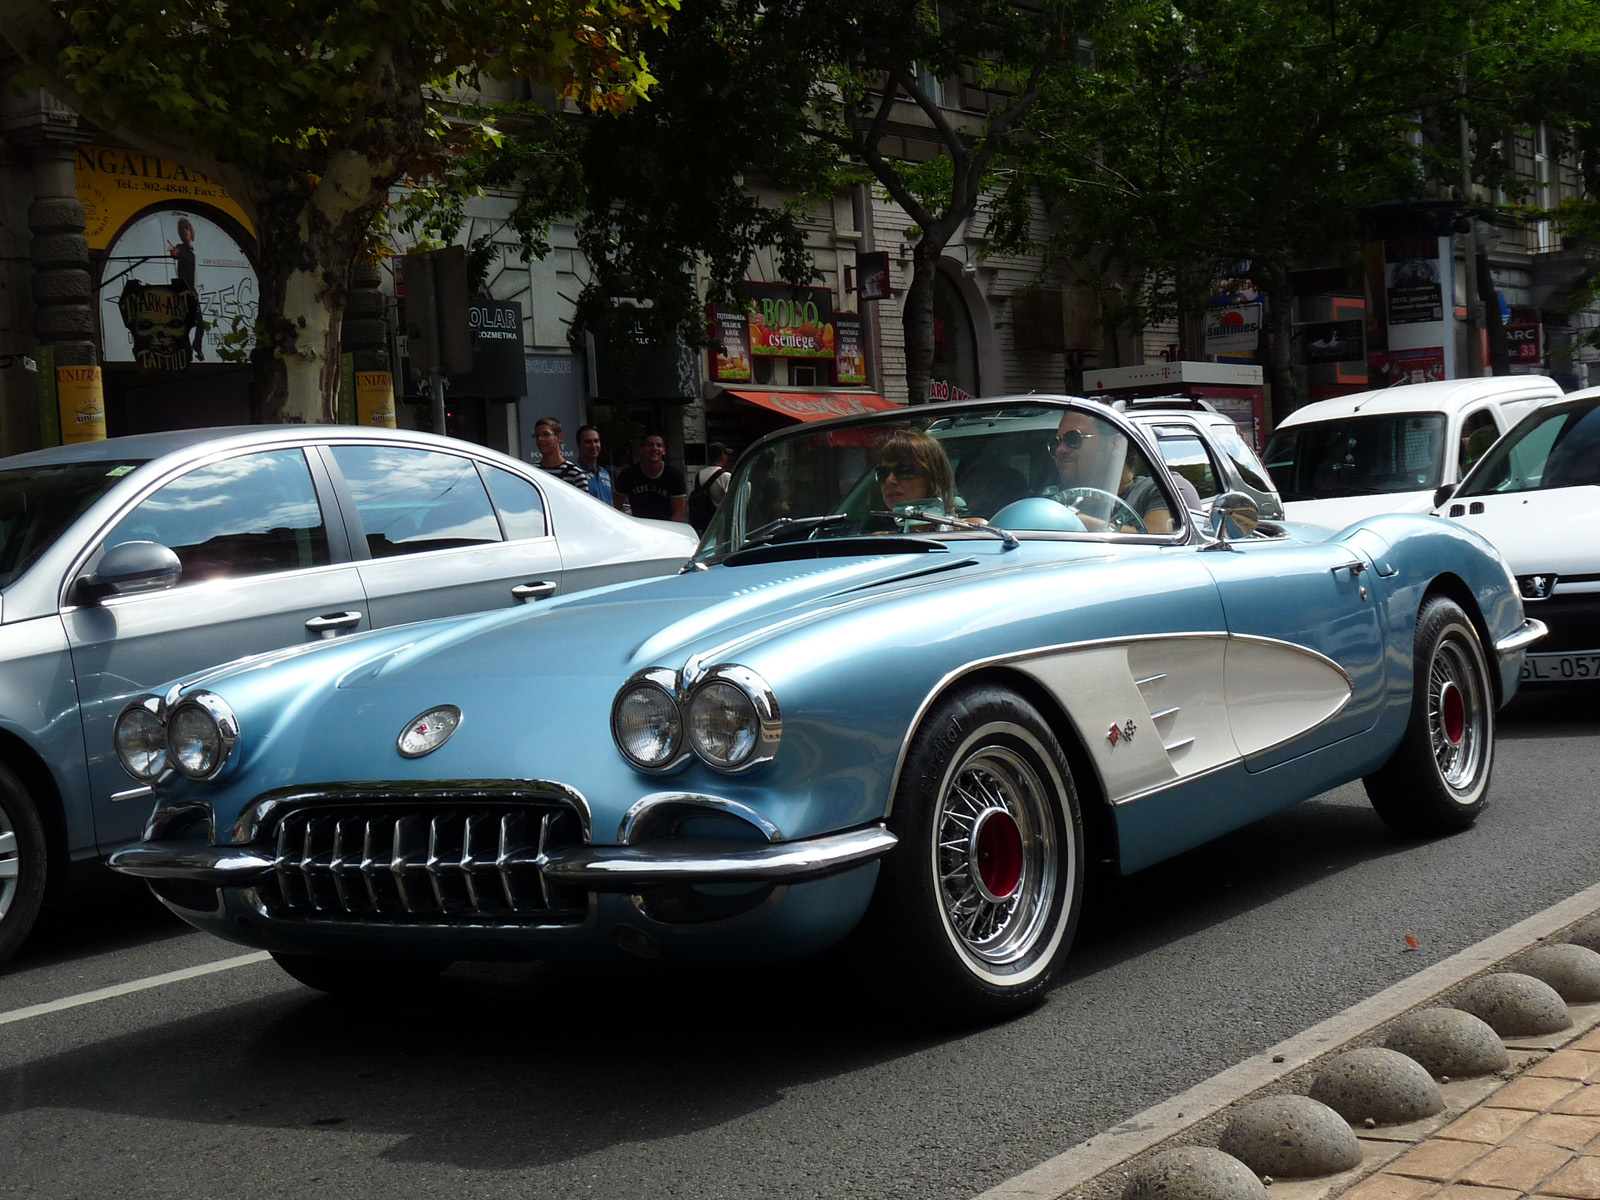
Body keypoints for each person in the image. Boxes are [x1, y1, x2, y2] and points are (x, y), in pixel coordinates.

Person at [1052, 410, 1181, 533]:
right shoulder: (1054, 499)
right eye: (1056, 442)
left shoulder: (1155, 492)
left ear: (1116, 444)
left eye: (1073, 439)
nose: (1060, 449)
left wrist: (1069, 519)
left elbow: (1156, 541)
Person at [875, 430, 956, 516]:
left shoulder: (965, 528)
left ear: (935, 476)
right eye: (882, 473)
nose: (889, 480)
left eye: (905, 471)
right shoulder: (869, 528)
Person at [613, 433, 687, 522]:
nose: (655, 448)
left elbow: (678, 515)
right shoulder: (627, 474)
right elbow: (615, 508)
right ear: (641, 449)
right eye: (650, 445)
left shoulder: (675, 476)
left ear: (664, 451)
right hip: (639, 527)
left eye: (659, 445)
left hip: (666, 528)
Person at [165, 215, 204, 361]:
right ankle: (191, 349)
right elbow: (176, 253)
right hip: (186, 292)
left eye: (187, 228)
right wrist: (173, 252)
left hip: (193, 292)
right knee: (191, 323)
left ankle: (194, 348)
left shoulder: (192, 249)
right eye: (183, 229)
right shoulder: (181, 248)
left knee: (195, 324)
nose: (185, 231)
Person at [532, 417, 590, 491]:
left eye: (546, 435)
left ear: (559, 437)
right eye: (537, 436)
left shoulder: (575, 474)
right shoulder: (532, 471)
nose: (540, 439)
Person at [688, 442, 733, 535]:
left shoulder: (699, 475)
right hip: (721, 524)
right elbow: (732, 501)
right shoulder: (726, 476)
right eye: (726, 454)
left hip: (705, 525)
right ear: (722, 455)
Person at [575, 424, 614, 505]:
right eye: (588, 442)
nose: (593, 446)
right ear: (579, 445)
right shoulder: (574, 473)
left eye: (596, 441)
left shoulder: (605, 473)